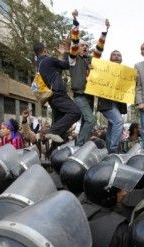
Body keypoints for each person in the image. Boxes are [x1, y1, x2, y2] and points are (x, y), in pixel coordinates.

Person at [70, 10, 110, 146]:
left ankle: (80, 146)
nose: (85, 47)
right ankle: (79, 145)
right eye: (83, 45)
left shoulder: (91, 60)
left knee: (85, 122)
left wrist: (105, 31)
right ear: (77, 48)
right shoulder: (73, 59)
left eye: (87, 46)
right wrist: (75, 21)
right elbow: (74, 40)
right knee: (91, 120)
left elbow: (99, 49)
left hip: (90, 96)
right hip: (79, 96)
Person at [32, 39, 81, 143]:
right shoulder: (48, 60)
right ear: (44, 50)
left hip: (51, 97)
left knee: (60, 126)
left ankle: (53, 151)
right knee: (75, 112)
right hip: (58, 93)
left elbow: (58, 70)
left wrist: (61, 55)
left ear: (35, 53)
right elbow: (68, 64)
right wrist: (67, 51)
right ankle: (52, 131)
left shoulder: (39, 64)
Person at [97, 50, 127, 153]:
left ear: (121, 59)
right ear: (110, 58)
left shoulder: (125, 73)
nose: (116, 57)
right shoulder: (104, 69)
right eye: (114, 55)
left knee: (112, 127)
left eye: (119, 55)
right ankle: (114, 149)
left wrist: (134, 79)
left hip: (117, 104)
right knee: (119, 121)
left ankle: (108, 151)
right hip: (106, 103)